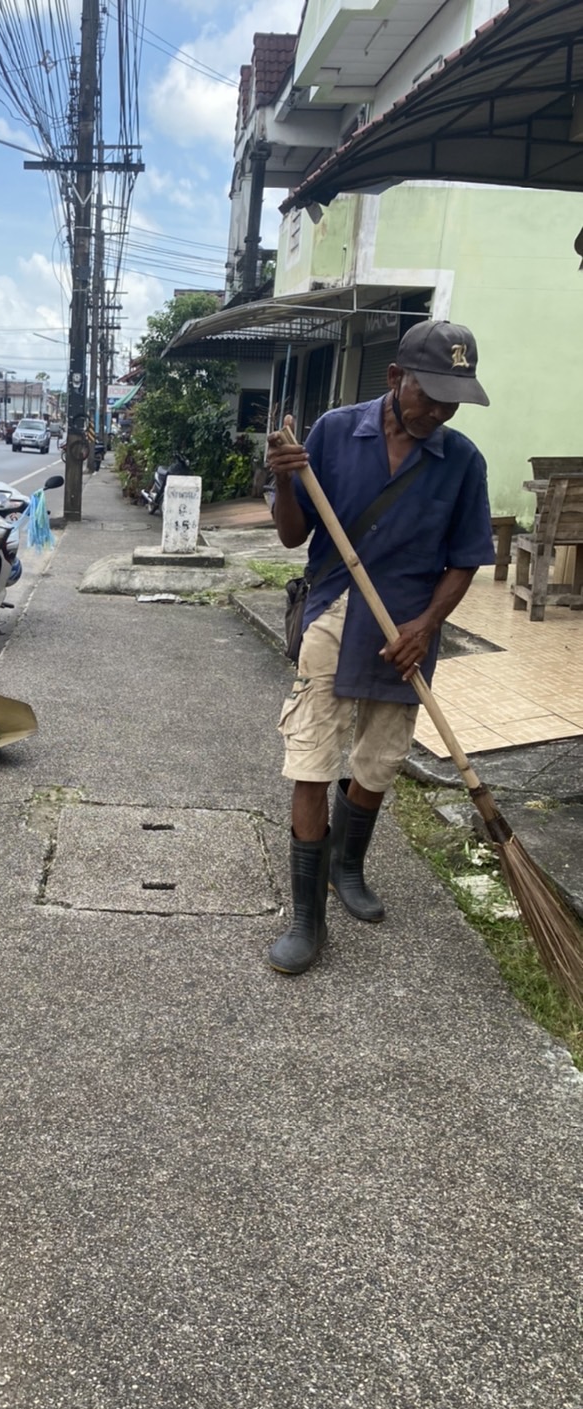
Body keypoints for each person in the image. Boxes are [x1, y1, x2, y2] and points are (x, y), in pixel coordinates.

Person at [264, 319, 495, 975]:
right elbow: (289, 537)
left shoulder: (463, 462)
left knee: (379, 760)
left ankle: (348, 866)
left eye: (455, 398)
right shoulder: (336, 431)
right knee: (312, 758)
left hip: (407, 627)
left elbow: (466, 559)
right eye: (433, 394)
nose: (442, 410)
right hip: (336, 610)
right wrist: (284, 481)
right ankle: (307, 919)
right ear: (397, 379)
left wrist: (426, 626)